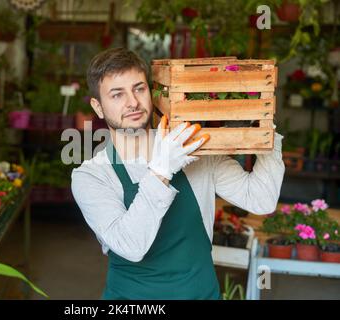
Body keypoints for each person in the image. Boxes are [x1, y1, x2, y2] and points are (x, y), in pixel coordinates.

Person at [71, 47, 285, 300]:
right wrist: (162, 169)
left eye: (139, 88)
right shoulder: (92, 176)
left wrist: (265, 131)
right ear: (98, 106)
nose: (133, 102)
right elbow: (131, 246)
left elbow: (260, 200)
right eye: (117, 95)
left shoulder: (196, 151)